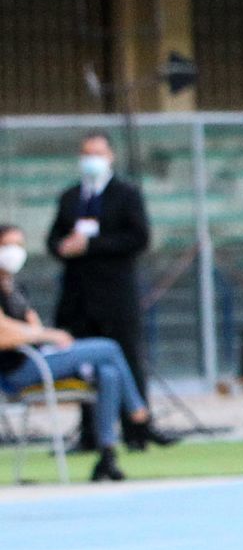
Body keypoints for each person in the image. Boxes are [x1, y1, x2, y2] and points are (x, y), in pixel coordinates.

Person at [0, 222, 165, 482]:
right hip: (18, 369)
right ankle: (138, 412)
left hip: (42, 357)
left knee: (108, 372)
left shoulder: (16, 288)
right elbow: (4, 335)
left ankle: (107, 456)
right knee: (109, 348)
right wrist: (47, 335)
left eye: (19, 245)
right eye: (8, 245)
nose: (15, 251)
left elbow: (31, 327)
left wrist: (41, 336)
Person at [46, 132, 163, 449]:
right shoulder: (71, 197)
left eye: (97, 152)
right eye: (86, 153)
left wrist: (92, 245)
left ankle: (136, 431)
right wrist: (64, 246)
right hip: (78, 298)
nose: (91, 159)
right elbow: (53, 239)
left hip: (116, 296)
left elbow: (138, 238)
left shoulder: (126, 194)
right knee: (82, 366)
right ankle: (91, 434)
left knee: (127, 360)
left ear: (110, 155)